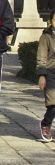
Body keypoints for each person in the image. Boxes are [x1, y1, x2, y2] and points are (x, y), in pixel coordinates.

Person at [37, 10, 55, 141]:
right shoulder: (46, 36)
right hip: (50, 72)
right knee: (53, 103)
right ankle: (46, 124)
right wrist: (42, 75)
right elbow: (41, 57)